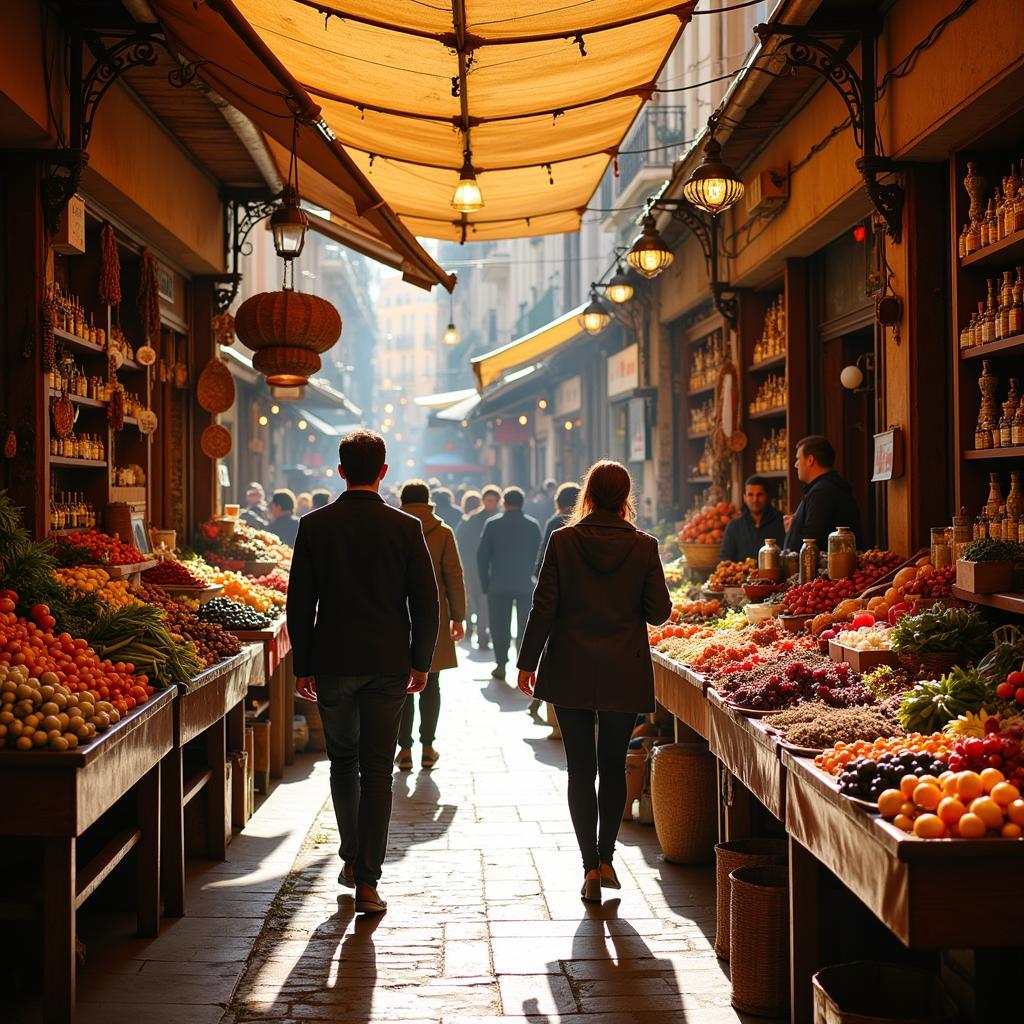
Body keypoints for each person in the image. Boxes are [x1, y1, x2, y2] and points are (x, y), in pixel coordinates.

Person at [287, 429, 439, 915]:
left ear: (339, 471)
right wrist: (421, 661)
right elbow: (426, 602)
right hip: (388, 662)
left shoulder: (314, 526)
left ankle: (352, 856)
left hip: (332, 662)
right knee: (377, 770)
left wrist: (303, 664)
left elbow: (299, 602)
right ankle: (368, 880)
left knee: (342, 763)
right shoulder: (404, 527)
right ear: (383, 472)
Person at [516, 461, 671, 904]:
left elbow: (543, 606)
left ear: (587, 495)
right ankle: (606, 858)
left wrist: (527, 662)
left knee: (580, 769)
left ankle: (588, 865)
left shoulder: (563, 541)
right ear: (626, 498)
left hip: (570, 667)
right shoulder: (644, 546)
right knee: (613, 763)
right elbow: (658, 612)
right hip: (623, 667)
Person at [396, 480, 466, 772]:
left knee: (401, 685)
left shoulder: (393, 529)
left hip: (398, 616)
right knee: (431, 682)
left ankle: (404, 752)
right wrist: (458, 617)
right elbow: (454, 575)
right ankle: (427, 747)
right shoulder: (443, 532)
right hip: (433, 615)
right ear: (429, 501)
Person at [477, 486, 542, 681]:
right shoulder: (532, 525)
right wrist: (533, 576)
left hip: (498, 584)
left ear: (504, 503)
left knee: (499, 626)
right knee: (525, 626)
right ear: (522, 504)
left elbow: (482, 556)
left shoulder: (492, 524)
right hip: (525, 583)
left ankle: (501, 664)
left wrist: (485, 583)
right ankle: (522, 665)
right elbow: (539, 555)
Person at [783, 435, 863, 552]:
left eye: (798, 459)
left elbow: (811, 539)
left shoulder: (822, 492)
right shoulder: (823, 488)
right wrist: (795, 525)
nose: (796, 465)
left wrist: (794, 528)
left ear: (810, 460)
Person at [456, 484, 501, 650]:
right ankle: (479, 634)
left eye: (493, 501)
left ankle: (483, 636)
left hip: (495, 569)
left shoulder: (500, 519)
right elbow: (460, 543)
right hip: (474, 568)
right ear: (483, 501)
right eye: (488, 500)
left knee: (485, 603)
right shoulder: (471, 519)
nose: (490, 503)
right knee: (477, 600)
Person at [720, 476, 787, 563]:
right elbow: (725, 558)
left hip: (773, 576)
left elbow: (788, 555)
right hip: (741, 575)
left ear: (767, 496)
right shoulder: (734, 526)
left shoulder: (782, 522)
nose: (755, 500)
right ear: (744, 497)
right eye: (750, 495)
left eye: (759, 495)